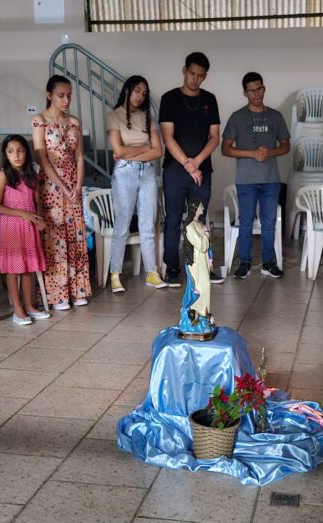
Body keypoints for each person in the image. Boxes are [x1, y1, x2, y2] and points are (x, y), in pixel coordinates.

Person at [159, 51, 223, 287]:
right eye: (192, 73)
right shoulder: (169, 98)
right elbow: (168, 137)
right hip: (175, 170)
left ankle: (199, 266)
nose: (195, 79)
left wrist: (197, 162)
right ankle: (172, 268)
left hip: (202, 170)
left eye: (200, 76)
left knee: (198, 220)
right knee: (173, 218)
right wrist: (188, 164)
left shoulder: (210, 99)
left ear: (205, 76)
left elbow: (214, 137)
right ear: (184, 70)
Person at [221, 72, 290, 279]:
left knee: (269, 223)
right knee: (245, 222)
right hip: (246, 180)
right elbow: (225, 149)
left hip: (271, 179)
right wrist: (251, 153)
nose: (256, 93)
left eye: (259, 89)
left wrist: (270, 152)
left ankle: (268, 262)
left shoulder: (275, 116)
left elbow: (286, 146)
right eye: (251, 90)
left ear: (264, 88)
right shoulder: (237, 117)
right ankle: (245, 262)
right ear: (245, 93)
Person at [32, 74, 91, 310]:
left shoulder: (74, 122)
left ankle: (78, 290)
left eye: (69, 95)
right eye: (61, 95)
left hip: (73, 184)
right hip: (51, 186)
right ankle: (57, 295)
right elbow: (42, 158)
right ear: (49, 95)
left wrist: (78, 185)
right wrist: (63, 186)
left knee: (76, 234)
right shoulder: (40, 121)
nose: (66, 100)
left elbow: (80, 156)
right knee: (55, 238)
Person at [107, 75, 166, 292]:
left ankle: (152, 272)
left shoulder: (147, 117)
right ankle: (115, 274)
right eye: (137, 91)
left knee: (147, 224)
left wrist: (130, 153)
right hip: (124, 173)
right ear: (127, 90)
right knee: (122, 223)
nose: (140, 96)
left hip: (147, 172)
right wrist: (145, 148)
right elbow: (118, 150)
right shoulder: (114, 116)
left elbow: (158, 151)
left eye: (144, 93)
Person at [0, 135, 49, 325]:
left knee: (27, 269)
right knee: (13, 270)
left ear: (26, 152)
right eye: (11, 151)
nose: (16, 155)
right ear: (5, 154)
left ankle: (29, 306)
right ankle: (18, 310)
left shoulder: (33, 175)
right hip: (10, 228)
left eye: (20, 150)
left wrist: (39, 219)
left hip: (28, 229)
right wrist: (23, 214)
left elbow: (37, 202)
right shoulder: (4, 175)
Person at [179, 200, 214, 337]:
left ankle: (204, 314)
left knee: (206, 286)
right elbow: (201, 245)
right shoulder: (190, 227)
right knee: (201, 286)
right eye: (200, 206)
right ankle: (196, 312)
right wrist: (206, 235)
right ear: (194, 208)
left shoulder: (199, 224)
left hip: (203, 261)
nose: (203, 208)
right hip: (196, 263)